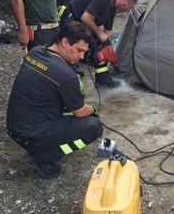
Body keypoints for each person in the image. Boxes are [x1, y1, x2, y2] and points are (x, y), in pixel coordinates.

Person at [6, 21, 103, 179]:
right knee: (94, 125)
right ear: (65, 42)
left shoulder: (35, 51)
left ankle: (42, 147)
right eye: (79, 50)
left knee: (69, 112)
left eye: (84, 52)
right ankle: (43, 157)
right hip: (31, 135)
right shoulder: (65, 75)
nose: (81, 57)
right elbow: (80, 112)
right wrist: (93, 108)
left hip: (15, 127)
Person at [58, 0, 137, 88]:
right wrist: (100, 34)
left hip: (81, 24)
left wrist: (106, 46)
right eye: (129, 6)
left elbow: (108, 30)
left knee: (102, 48)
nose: (127, 9)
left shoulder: (112, 8)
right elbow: (85, 17)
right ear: (126, 1)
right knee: (75, 46)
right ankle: (71, 77)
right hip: (70, 16)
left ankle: (102, 79)